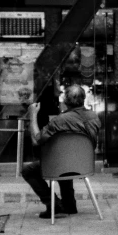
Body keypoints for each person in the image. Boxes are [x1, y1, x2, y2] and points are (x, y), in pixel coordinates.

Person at [23, 85, 102, 219]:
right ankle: (69, 204)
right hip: (84, 164)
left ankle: (53, 204)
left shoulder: (60, 120)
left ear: (65, 100)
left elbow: (37, 141)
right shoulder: (94, 117)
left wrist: (33, 115)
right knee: (65, 156)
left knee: (28, 170)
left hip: (62, 164)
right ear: (84, 98)